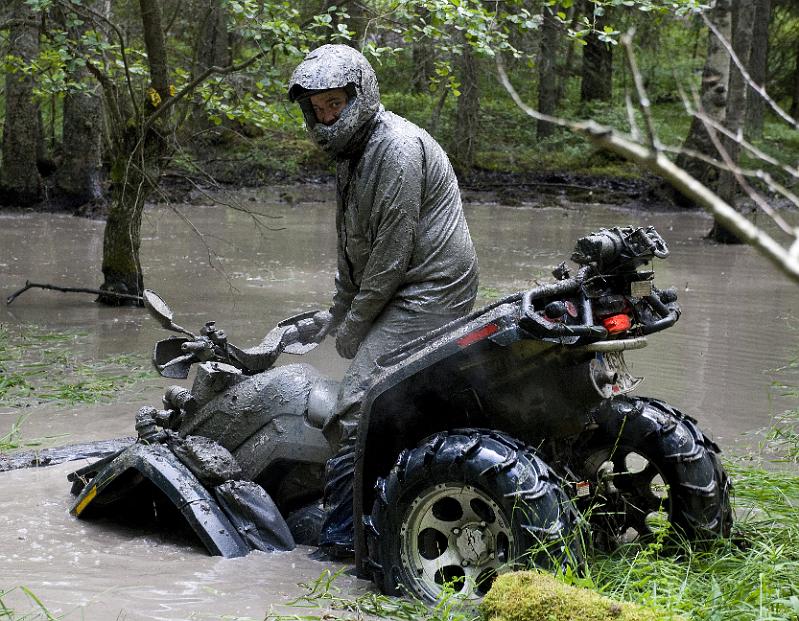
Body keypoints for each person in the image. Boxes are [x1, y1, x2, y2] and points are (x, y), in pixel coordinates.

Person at [287, 44, 479, 558]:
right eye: (318, 107)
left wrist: (352, 330)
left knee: (352, 409)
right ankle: (387, 497)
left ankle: (345, 543)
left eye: (335, 103)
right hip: (400, 285)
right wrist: (334, 316)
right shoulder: (351, 156)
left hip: (430, 290)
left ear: (360, 95)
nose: (327, 116)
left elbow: (390, 257)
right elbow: (354, 250)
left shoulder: (394, 147)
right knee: (386, 394)